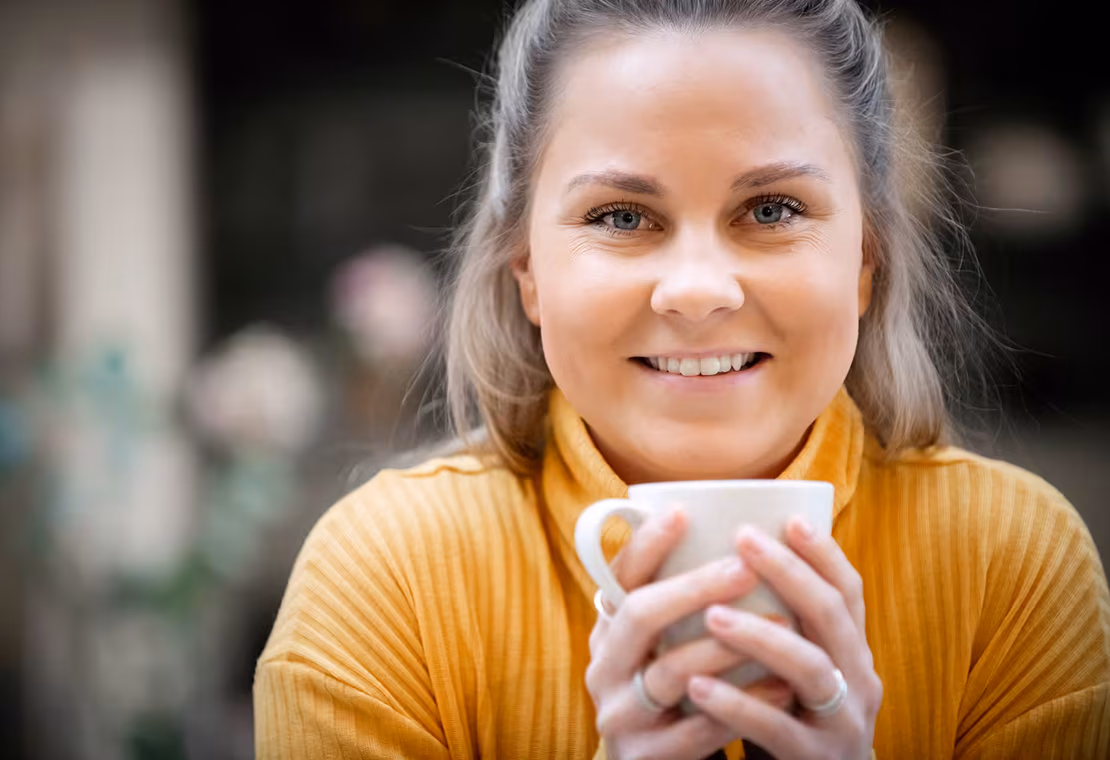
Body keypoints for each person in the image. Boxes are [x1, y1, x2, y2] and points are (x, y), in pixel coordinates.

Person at [253, 0, 1110, 757]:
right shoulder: (384, 586)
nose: (698, 291)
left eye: (771, 210)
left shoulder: (1013, 567)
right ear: (527, 269)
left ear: (864, 261)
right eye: (621, 216)